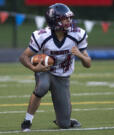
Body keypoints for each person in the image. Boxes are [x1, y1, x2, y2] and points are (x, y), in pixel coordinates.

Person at [19, 3, 91, 132]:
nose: (68, 21)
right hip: (45, 71)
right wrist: (34, 68)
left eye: (69, 18)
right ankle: (27, 121)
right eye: (64, 18)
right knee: (42, 87)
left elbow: (88, 64)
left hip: (63, 77)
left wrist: (80, 55)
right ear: (54, 20)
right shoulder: (41, 35)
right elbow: (23, 56)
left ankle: (65, 120)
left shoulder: (77, 34)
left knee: (64, 124)